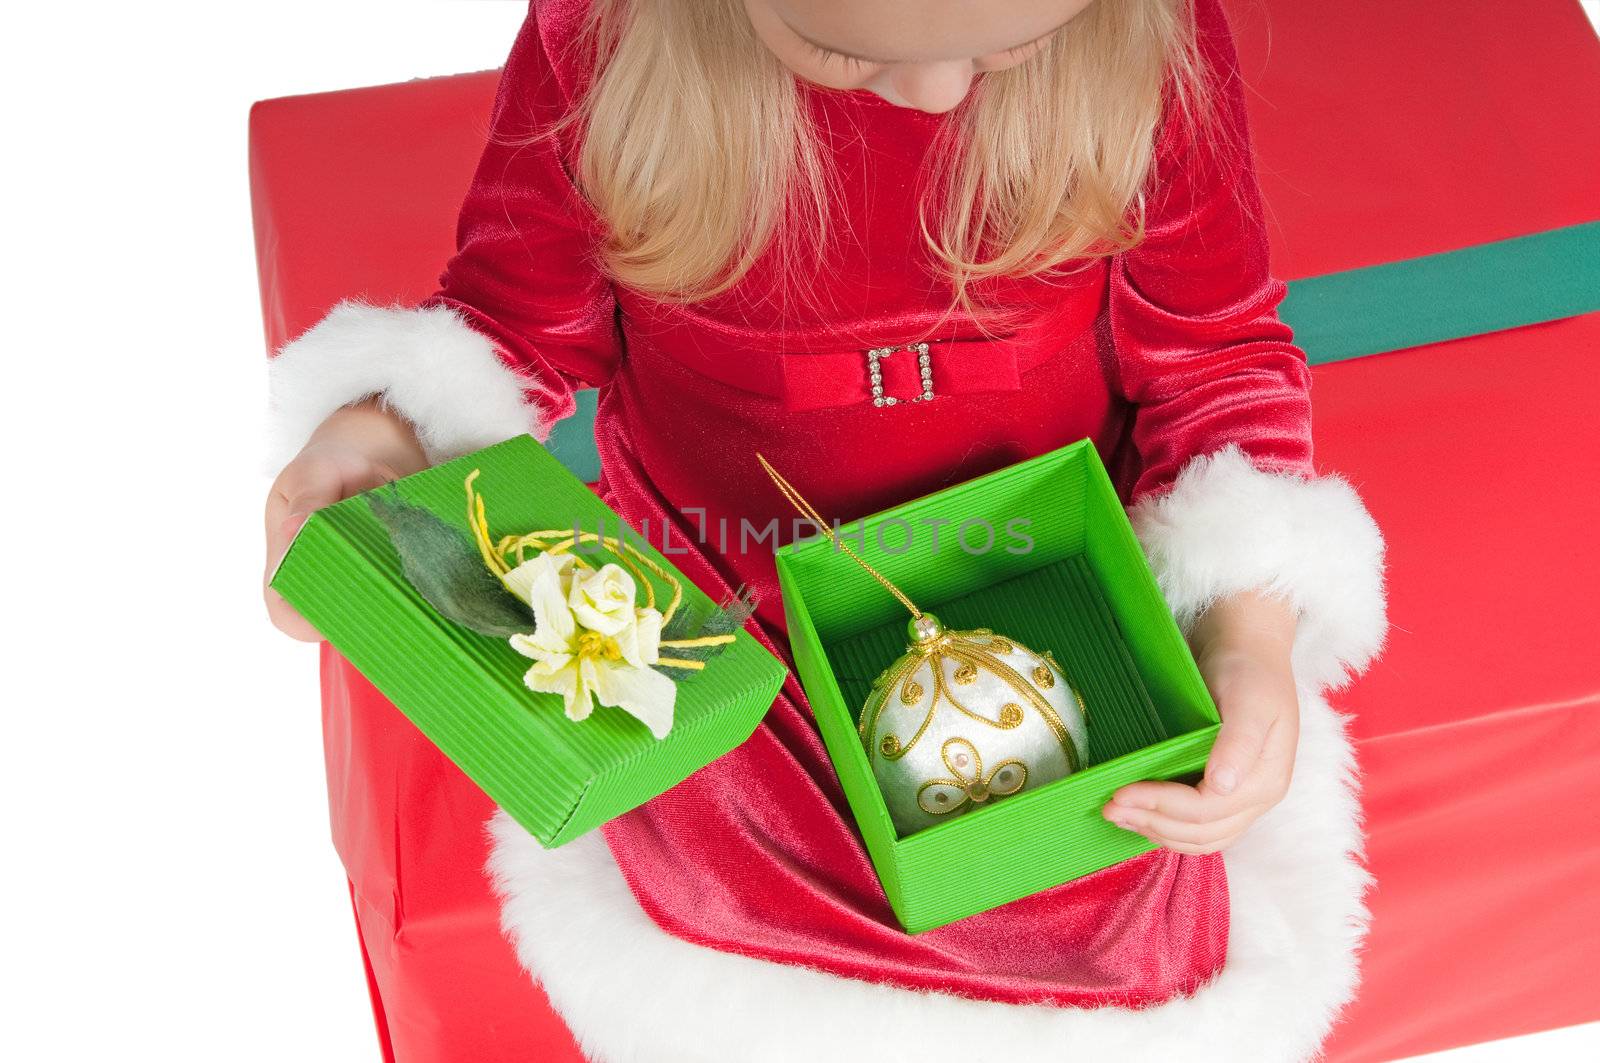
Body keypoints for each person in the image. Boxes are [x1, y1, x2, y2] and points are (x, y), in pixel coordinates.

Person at [263, 0, 1387, 1058]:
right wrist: (382, 433)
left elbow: (1214, 358)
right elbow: (511, 325)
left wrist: (1245, 628)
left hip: (1042, 591)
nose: (939, 93)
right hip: (720, 622)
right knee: (719, 914)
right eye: (841, 47)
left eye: (1010, 46)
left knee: (1104, 915)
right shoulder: (608, 40)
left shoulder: (1150, 36)